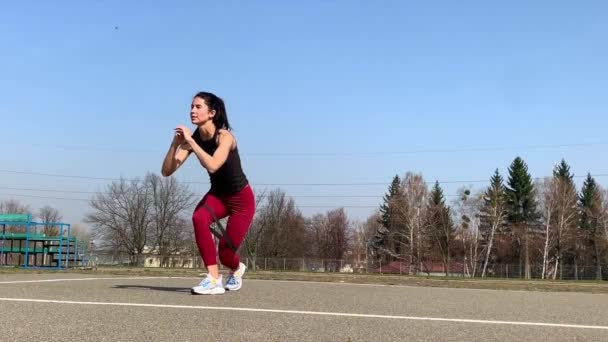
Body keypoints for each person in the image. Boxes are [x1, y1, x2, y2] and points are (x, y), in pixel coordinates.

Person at [161, 91, 255, 295]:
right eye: (191, 107)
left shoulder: (225, 137)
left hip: (241, 200)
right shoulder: (192, 139)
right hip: (218, 195)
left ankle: (237, 268)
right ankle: (213, 279)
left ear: (211, 113)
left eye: (197, 107)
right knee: (198, 218)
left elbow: (213, 165)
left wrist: (192, 143)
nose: (192, 111)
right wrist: (175, 144)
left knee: (226, 253)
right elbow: (167, 171)